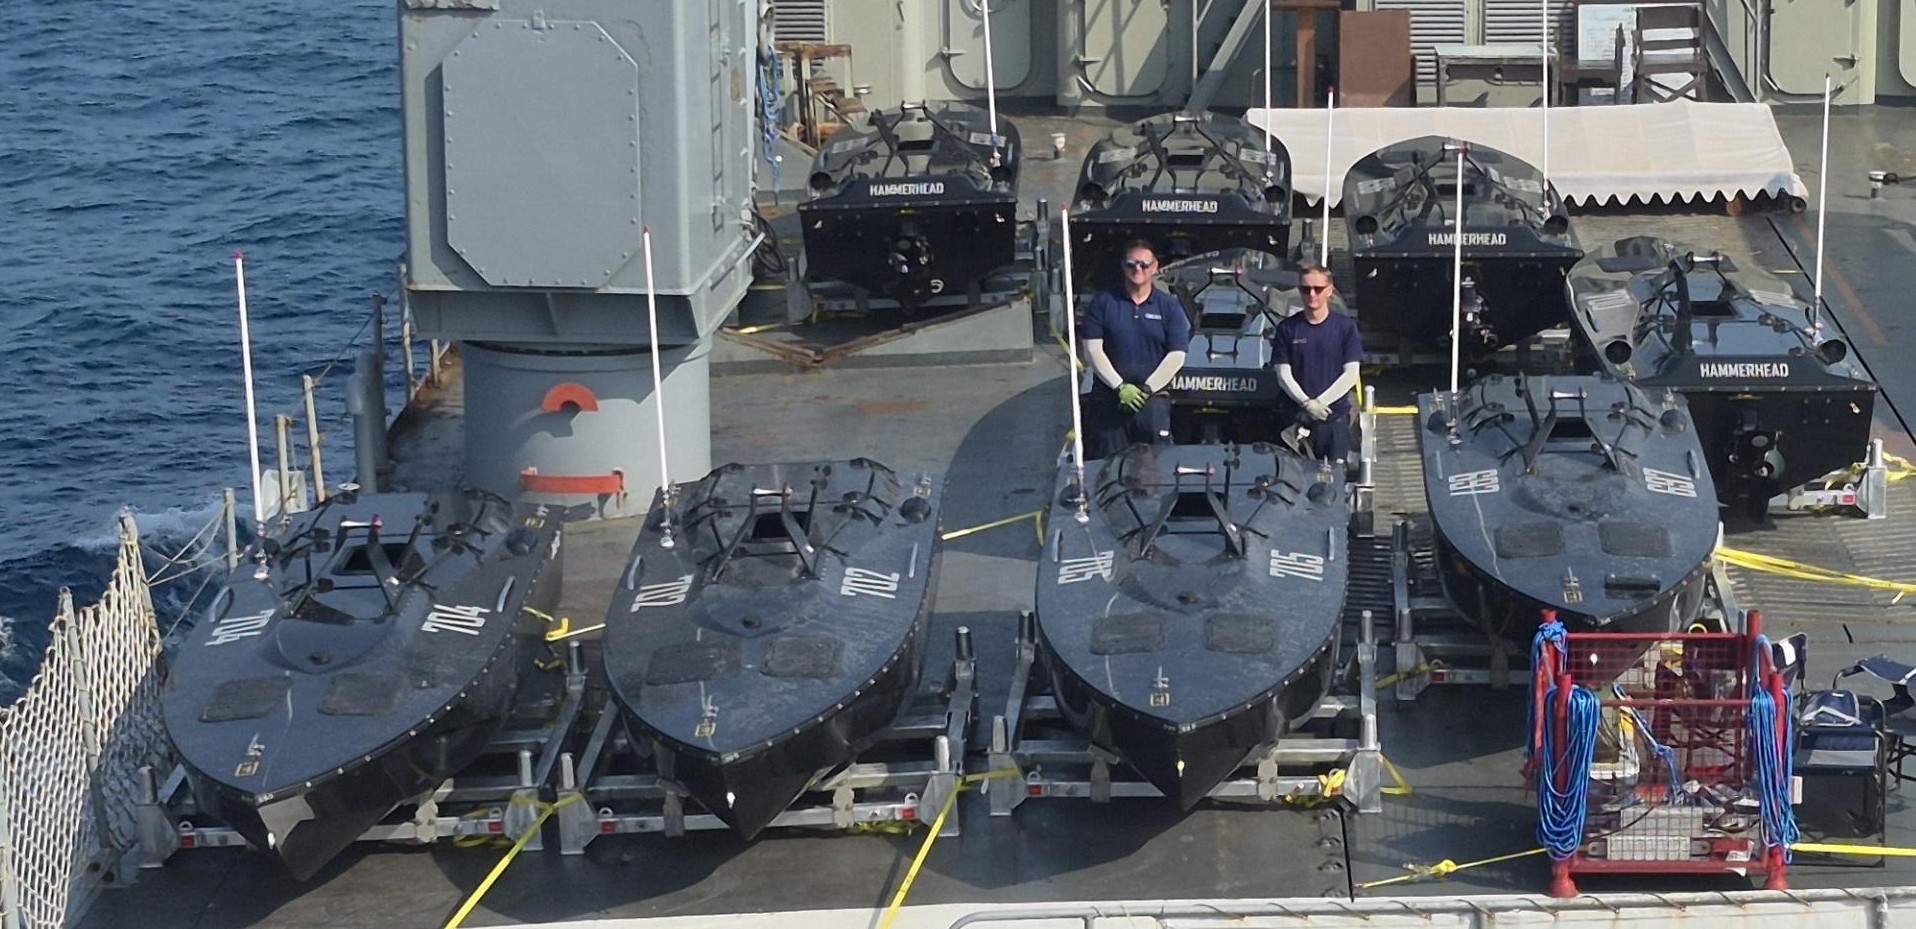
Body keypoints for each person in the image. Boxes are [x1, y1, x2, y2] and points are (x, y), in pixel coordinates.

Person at [1082, 240, 1190, 460]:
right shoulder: (1103, 303)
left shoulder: (1169, 307)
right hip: (1108, 404)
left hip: (1152, 405)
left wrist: (1147, 389)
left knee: (1155, 470)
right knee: (1105, 469)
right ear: (1123, 266)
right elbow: (1092, 350)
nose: (1137, 269)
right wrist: (1120, 387)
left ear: (1154, 267)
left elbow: (1177, 355)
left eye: (1143, 264)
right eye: (1131, 264)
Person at [1273, 265, 1362, 468]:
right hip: (1295, 420)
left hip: (1334, 420)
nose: (1312, 294)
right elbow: (1283, 374)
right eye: (1305, 289)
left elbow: (1351, 374)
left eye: (1318, 289)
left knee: (1335, 481)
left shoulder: (1346, 328)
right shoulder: (1286, 329)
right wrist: (1307, 404)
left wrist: (1320, 403)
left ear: (1329, 290)